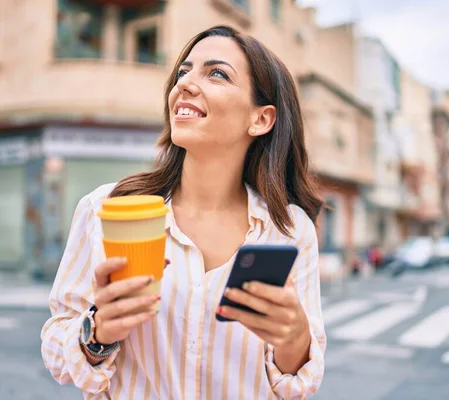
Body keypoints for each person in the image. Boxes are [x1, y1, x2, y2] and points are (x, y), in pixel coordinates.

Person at [41, 25, 326, 399]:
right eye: (183, 72)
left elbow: (296, 384)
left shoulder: (289, 230)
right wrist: (97, 334)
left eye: (217, 73)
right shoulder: (105, 209)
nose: (186, 84)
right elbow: (57, 346)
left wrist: (294, 338)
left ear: (261, 119)